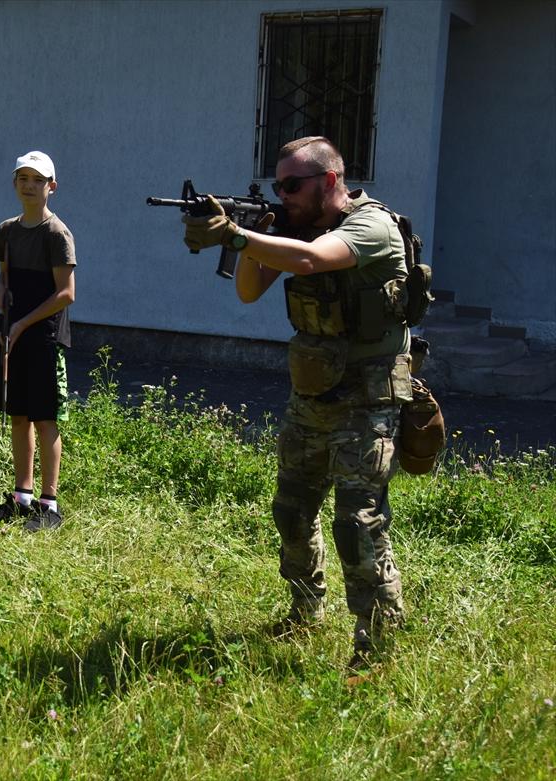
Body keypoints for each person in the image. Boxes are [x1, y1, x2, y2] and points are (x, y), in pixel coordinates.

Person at [182, 136, 412, 671]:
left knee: (357, 523)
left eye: (291, 185)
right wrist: (255, 233)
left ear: (329, 181)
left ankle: (376, 645)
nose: (282, 194)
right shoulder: (296, 226)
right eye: (277, 185)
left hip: (367, 399)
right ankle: (305, 610)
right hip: (312, 393)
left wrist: (237, 235)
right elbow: (248, 291)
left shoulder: (372, 227)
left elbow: (311, 261)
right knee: (291, 510)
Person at [0, 151, 76, 532]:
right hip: (13, 334)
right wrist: (0, 293)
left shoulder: (56, 234)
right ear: (14, 183)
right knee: (18, 414)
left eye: (38, 180)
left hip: (44, 337)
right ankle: (22, 497)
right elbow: (4, 276)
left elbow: (66, 293)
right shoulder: (6, 231)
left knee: (44, 417)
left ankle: (49, 504)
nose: (29, 185)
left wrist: (23, 323)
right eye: (23, 178)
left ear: (51, 186)